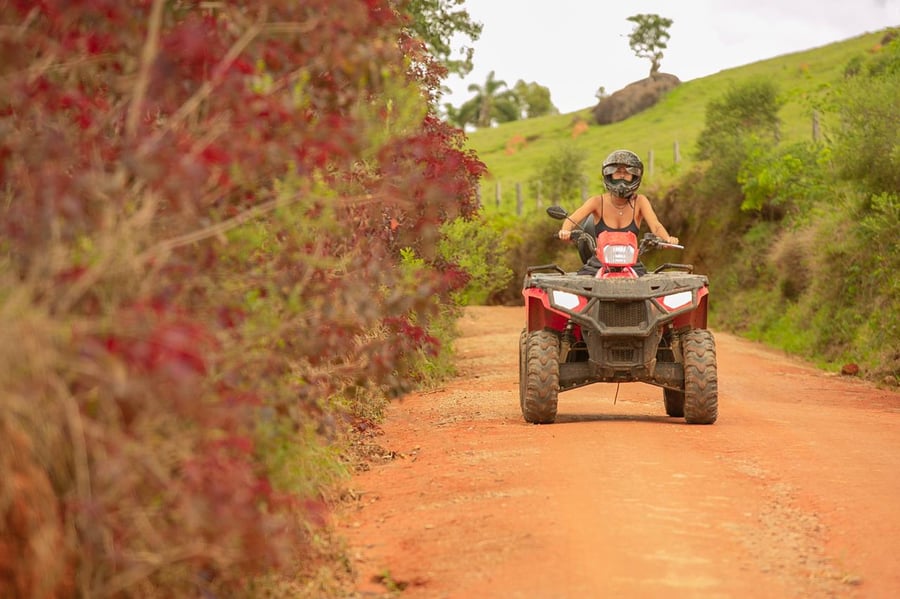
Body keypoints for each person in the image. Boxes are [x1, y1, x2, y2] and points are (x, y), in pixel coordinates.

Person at [557, 149, 678, 275]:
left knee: (649, 290)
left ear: (635, 176)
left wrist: (667, 239)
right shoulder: (597, 201)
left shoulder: (640, 201)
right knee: (580, 289)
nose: (622, 175)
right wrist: (565, 231)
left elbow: (655, 225)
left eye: (627, 172)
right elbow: (572, 219)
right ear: (609, 175)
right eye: (618, 171)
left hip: (632, 264)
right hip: (599, 264)